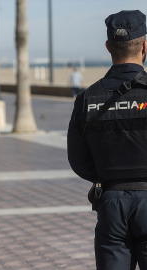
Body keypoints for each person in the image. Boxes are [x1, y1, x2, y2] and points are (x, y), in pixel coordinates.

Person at [67, 10, 147, 270]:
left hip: (111, 202)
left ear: (108, 46)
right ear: (144, 45)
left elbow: (78, 160)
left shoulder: (87, 98)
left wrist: (107, 177)